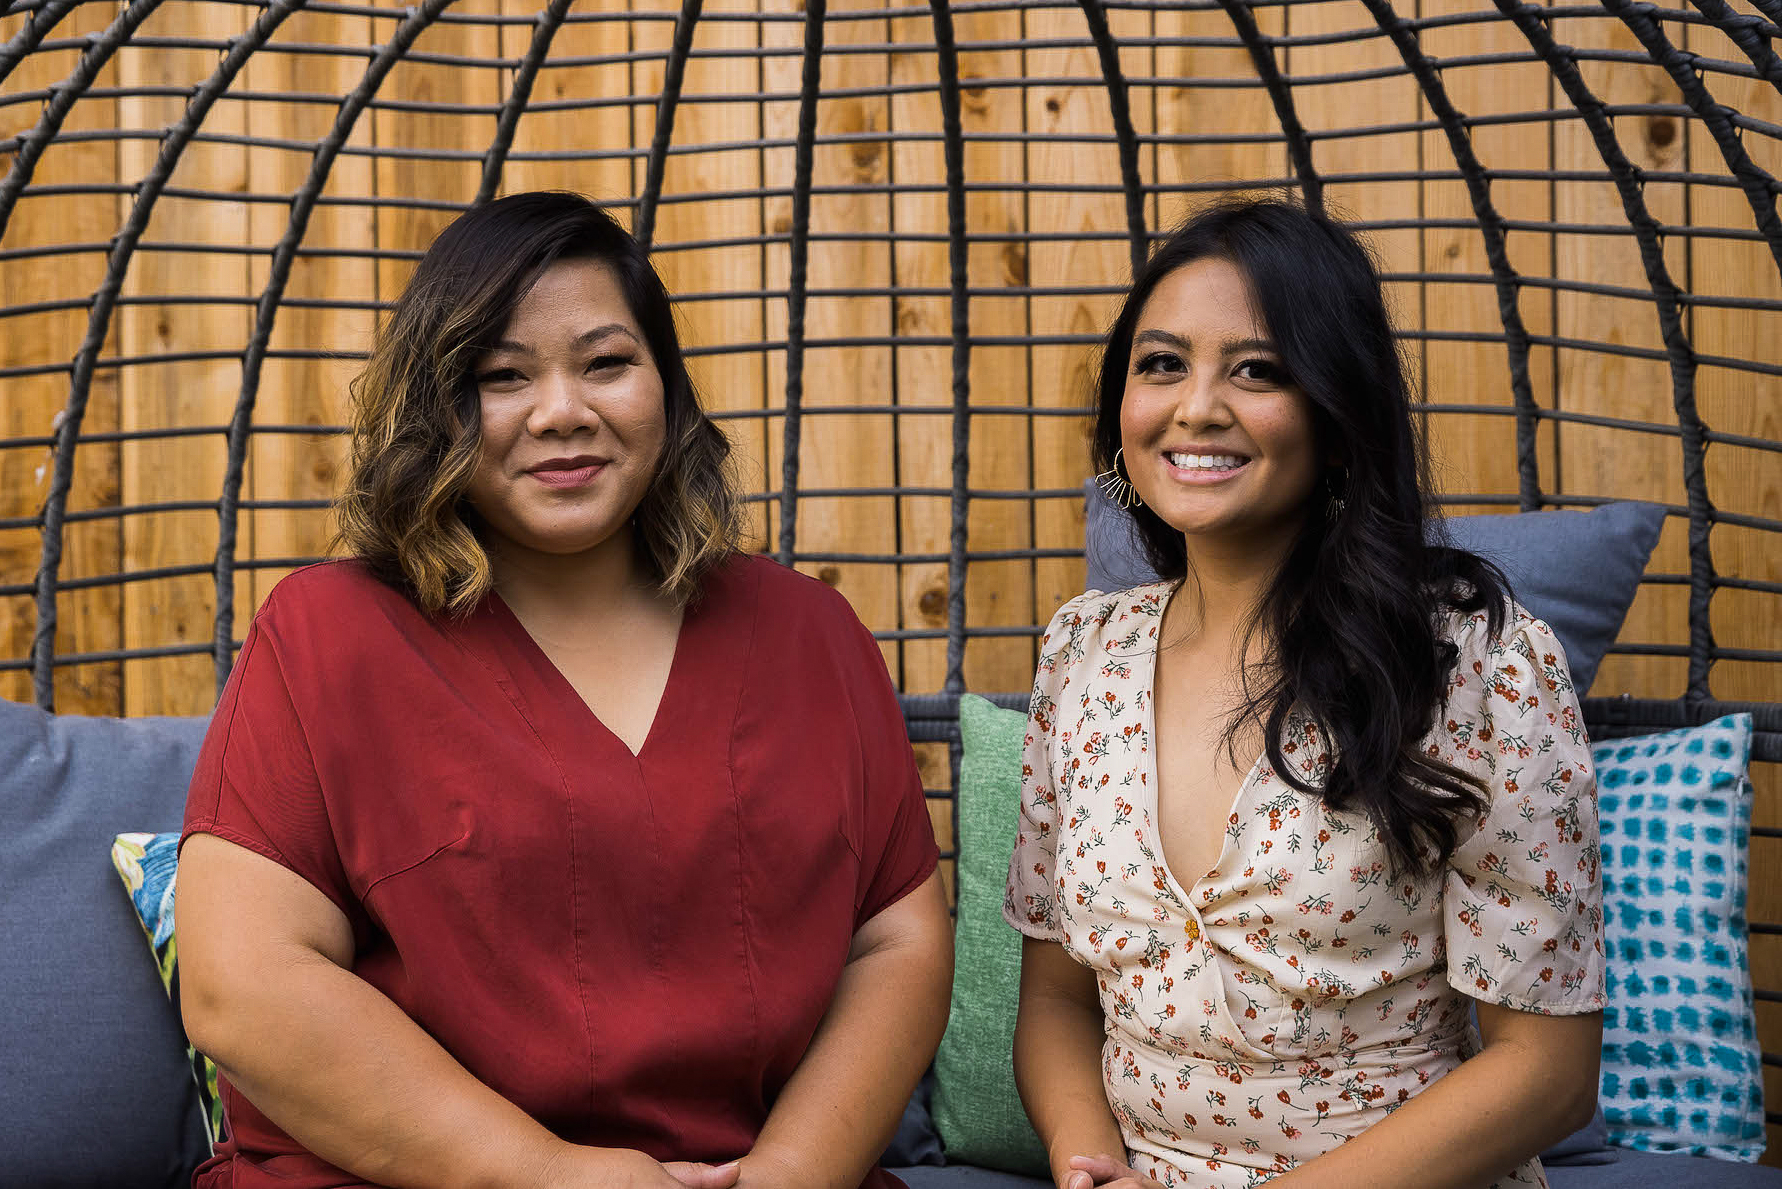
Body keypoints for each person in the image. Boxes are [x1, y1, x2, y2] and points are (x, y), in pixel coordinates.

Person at [176, 191, 953, 1189]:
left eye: (606, 363)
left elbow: (897, 937)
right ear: (438, 406)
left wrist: (794, 1172)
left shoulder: (812, 633)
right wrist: (552, 1174)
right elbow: (243, 989)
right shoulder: (326, 635)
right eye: (503, 376)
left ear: (663, 387)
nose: (562, 412)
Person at [1004, 199, 1603, 1189]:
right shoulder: (1082, 655)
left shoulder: (1474, 662)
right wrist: (1086, 1163)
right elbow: (1059, 1003)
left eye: (1258, 369)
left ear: (1339, 411)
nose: (1197, 406)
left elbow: (1547, 1068)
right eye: (1161, 365)